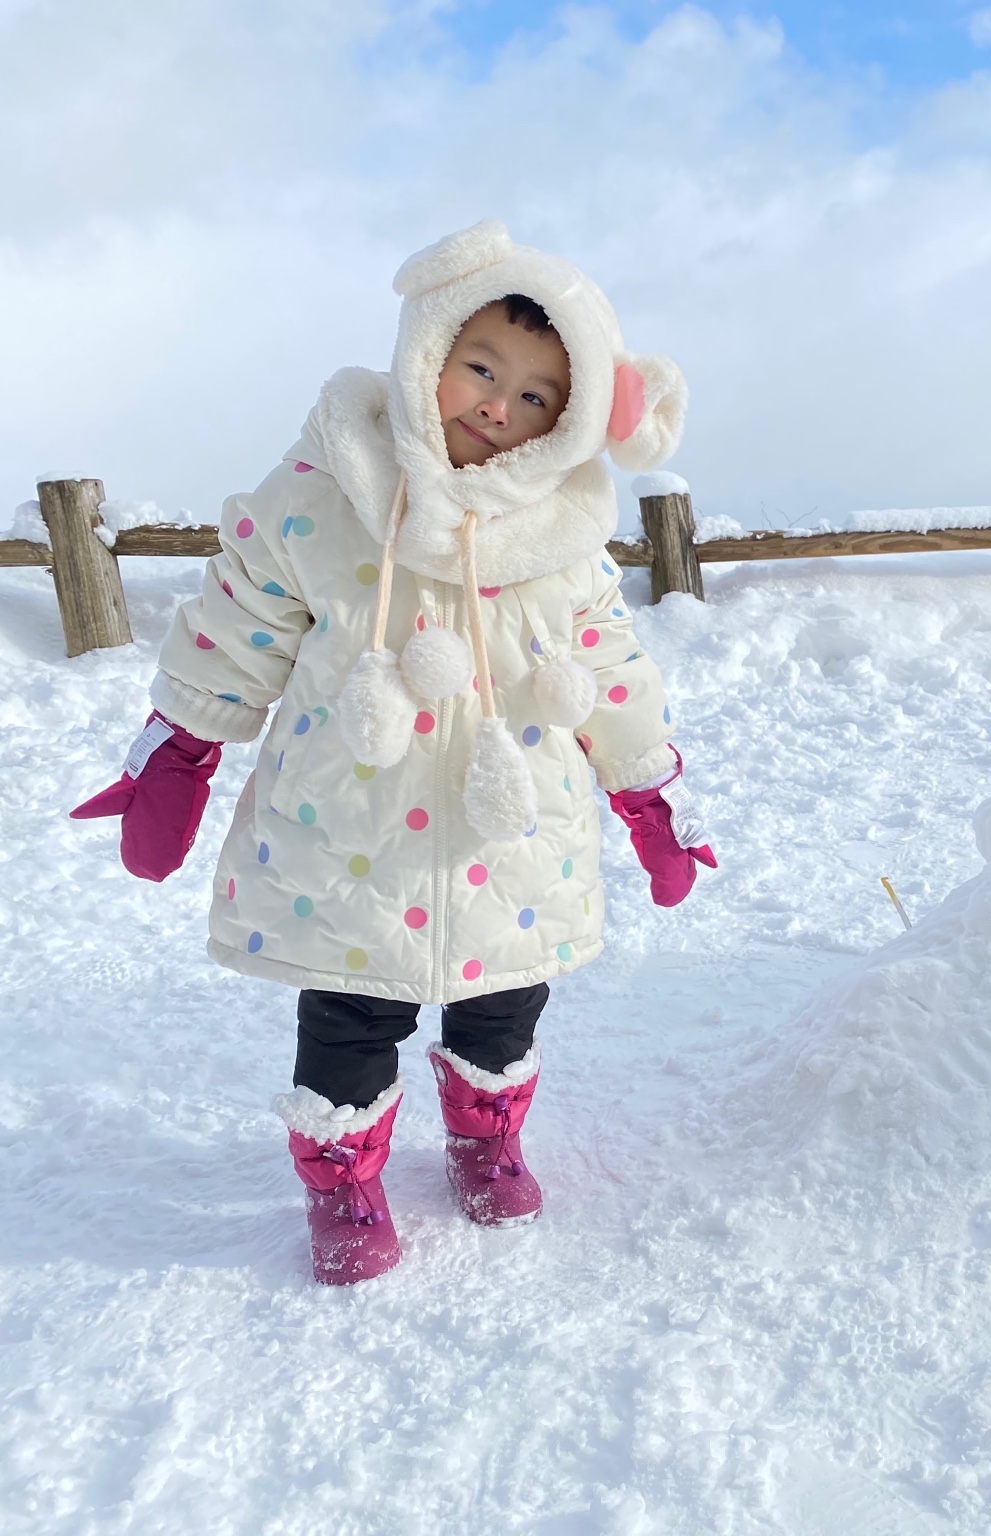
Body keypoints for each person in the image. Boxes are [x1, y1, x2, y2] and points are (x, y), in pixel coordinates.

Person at [71, 221, 716, 1282]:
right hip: (349, 826)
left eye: (539, 397)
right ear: (427, 351)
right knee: (347, 1012)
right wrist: (180, 748)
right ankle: (343, 1182)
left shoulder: (562, 533)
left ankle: (486, 1137)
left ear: (573, 423)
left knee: (506, 1000)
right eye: (479, 366)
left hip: (511, 836)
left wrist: (651, 796)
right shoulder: (323, 491)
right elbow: (239, 619)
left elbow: (608, 666)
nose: (497, 404)